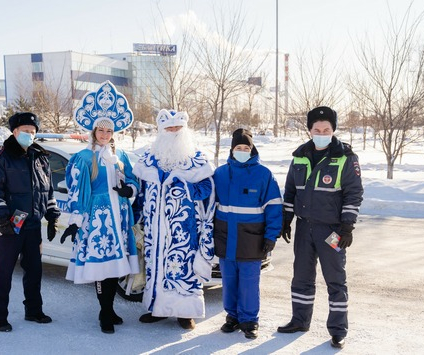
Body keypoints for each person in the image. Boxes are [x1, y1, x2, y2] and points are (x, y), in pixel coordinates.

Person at [277, 106, 364, 349]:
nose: (322, 133)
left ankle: (338, 330)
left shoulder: (346, 158)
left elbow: (354, 194)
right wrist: (286, 218)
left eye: (327, 129)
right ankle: (299, 320)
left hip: (332, 231)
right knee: (302, 278)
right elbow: (291, 191)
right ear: (310, 130)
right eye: (317, 129)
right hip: (305, 229)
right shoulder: (300, 156)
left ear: (334, 130)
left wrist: (347, 226)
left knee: (336, 280)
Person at [59, 81, 139, 334]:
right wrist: (75, 220)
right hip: (98, 219)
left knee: (116, 267)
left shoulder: (122, 155)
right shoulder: (84, 157)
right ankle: (104, 313)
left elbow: (134, 180)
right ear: (94, 130)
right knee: (100, 267)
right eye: (101, 130)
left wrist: (130, 190)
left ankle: (110, 309)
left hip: (121, 217)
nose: (105, 134)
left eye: (109, 130)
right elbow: (77, 190)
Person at [132, 109, 215, 330]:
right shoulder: (149, 159)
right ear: (160, 131)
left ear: (185, 129)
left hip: (184, 231)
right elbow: (140, 193)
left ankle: (185, 314)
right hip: (154, 231)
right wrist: (135, 218)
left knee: (183, 271)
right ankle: (157, 309)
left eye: (177, 128)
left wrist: (185, 187)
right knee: (156, 269)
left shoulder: (197, 159)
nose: (173, 132)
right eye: (169, 129)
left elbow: (208, 189)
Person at [0, 112, 61, 332]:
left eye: (33, 132)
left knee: (34, 271)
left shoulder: (40, 157)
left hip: (33, 225)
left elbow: (48, 191)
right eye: (25, 131)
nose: (29, 135)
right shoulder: (0, 157)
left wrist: (52, 216)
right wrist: (2, 219)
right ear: (14, 132)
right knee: (3, 272)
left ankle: (33, 311)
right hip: (10, 226)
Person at [213, 128, 283, 339]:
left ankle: (249, 320)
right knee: (229, 280)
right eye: (238, 147)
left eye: (246, 147)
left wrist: (271, 235)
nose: (242, 151)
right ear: (232, 149)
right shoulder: (220, 174)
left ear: (252, 150)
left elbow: (274, 206)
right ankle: (232, 317)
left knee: (249, 282)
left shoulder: (264, 175)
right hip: (226, 237)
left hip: (252, 239)